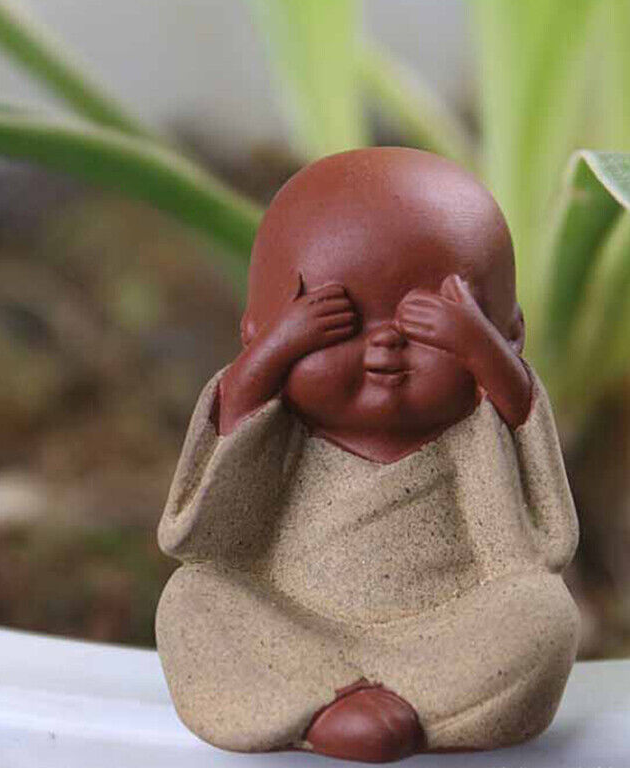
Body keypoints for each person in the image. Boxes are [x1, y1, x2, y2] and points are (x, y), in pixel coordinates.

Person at [156, 147, 579, 763]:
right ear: (254, 333)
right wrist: (272, 359)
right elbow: (208, 537)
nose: (383, 345)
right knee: (193, 599)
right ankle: (327, 704)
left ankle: (394, 711)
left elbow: (536, 549)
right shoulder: (278, 436)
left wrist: (482, 356)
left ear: (510, 333)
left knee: (545, 614)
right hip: (294, 630)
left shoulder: (476, 435)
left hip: (444, 639)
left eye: (426, 323)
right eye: (339, 323)